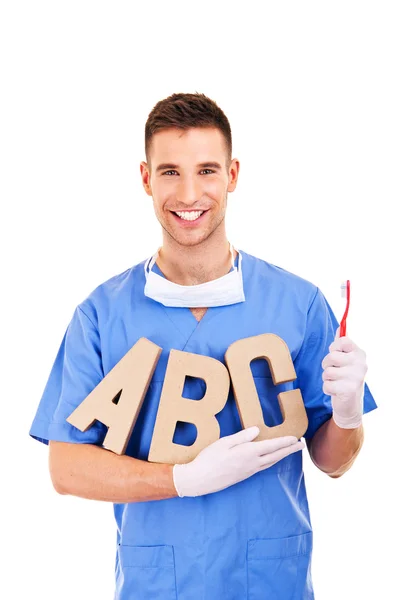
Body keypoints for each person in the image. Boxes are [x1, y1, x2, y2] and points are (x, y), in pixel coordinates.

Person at [29, 92, 377, 600]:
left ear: (232, 175)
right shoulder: (101, 315)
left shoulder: (298, 304)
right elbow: (66, 467)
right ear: (146, 178)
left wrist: (347, 414)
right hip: (156, 586)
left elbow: (333, 462)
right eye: (170, 172)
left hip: (271, 582)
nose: (189, 193)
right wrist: (182, 479)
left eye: (207, 171)